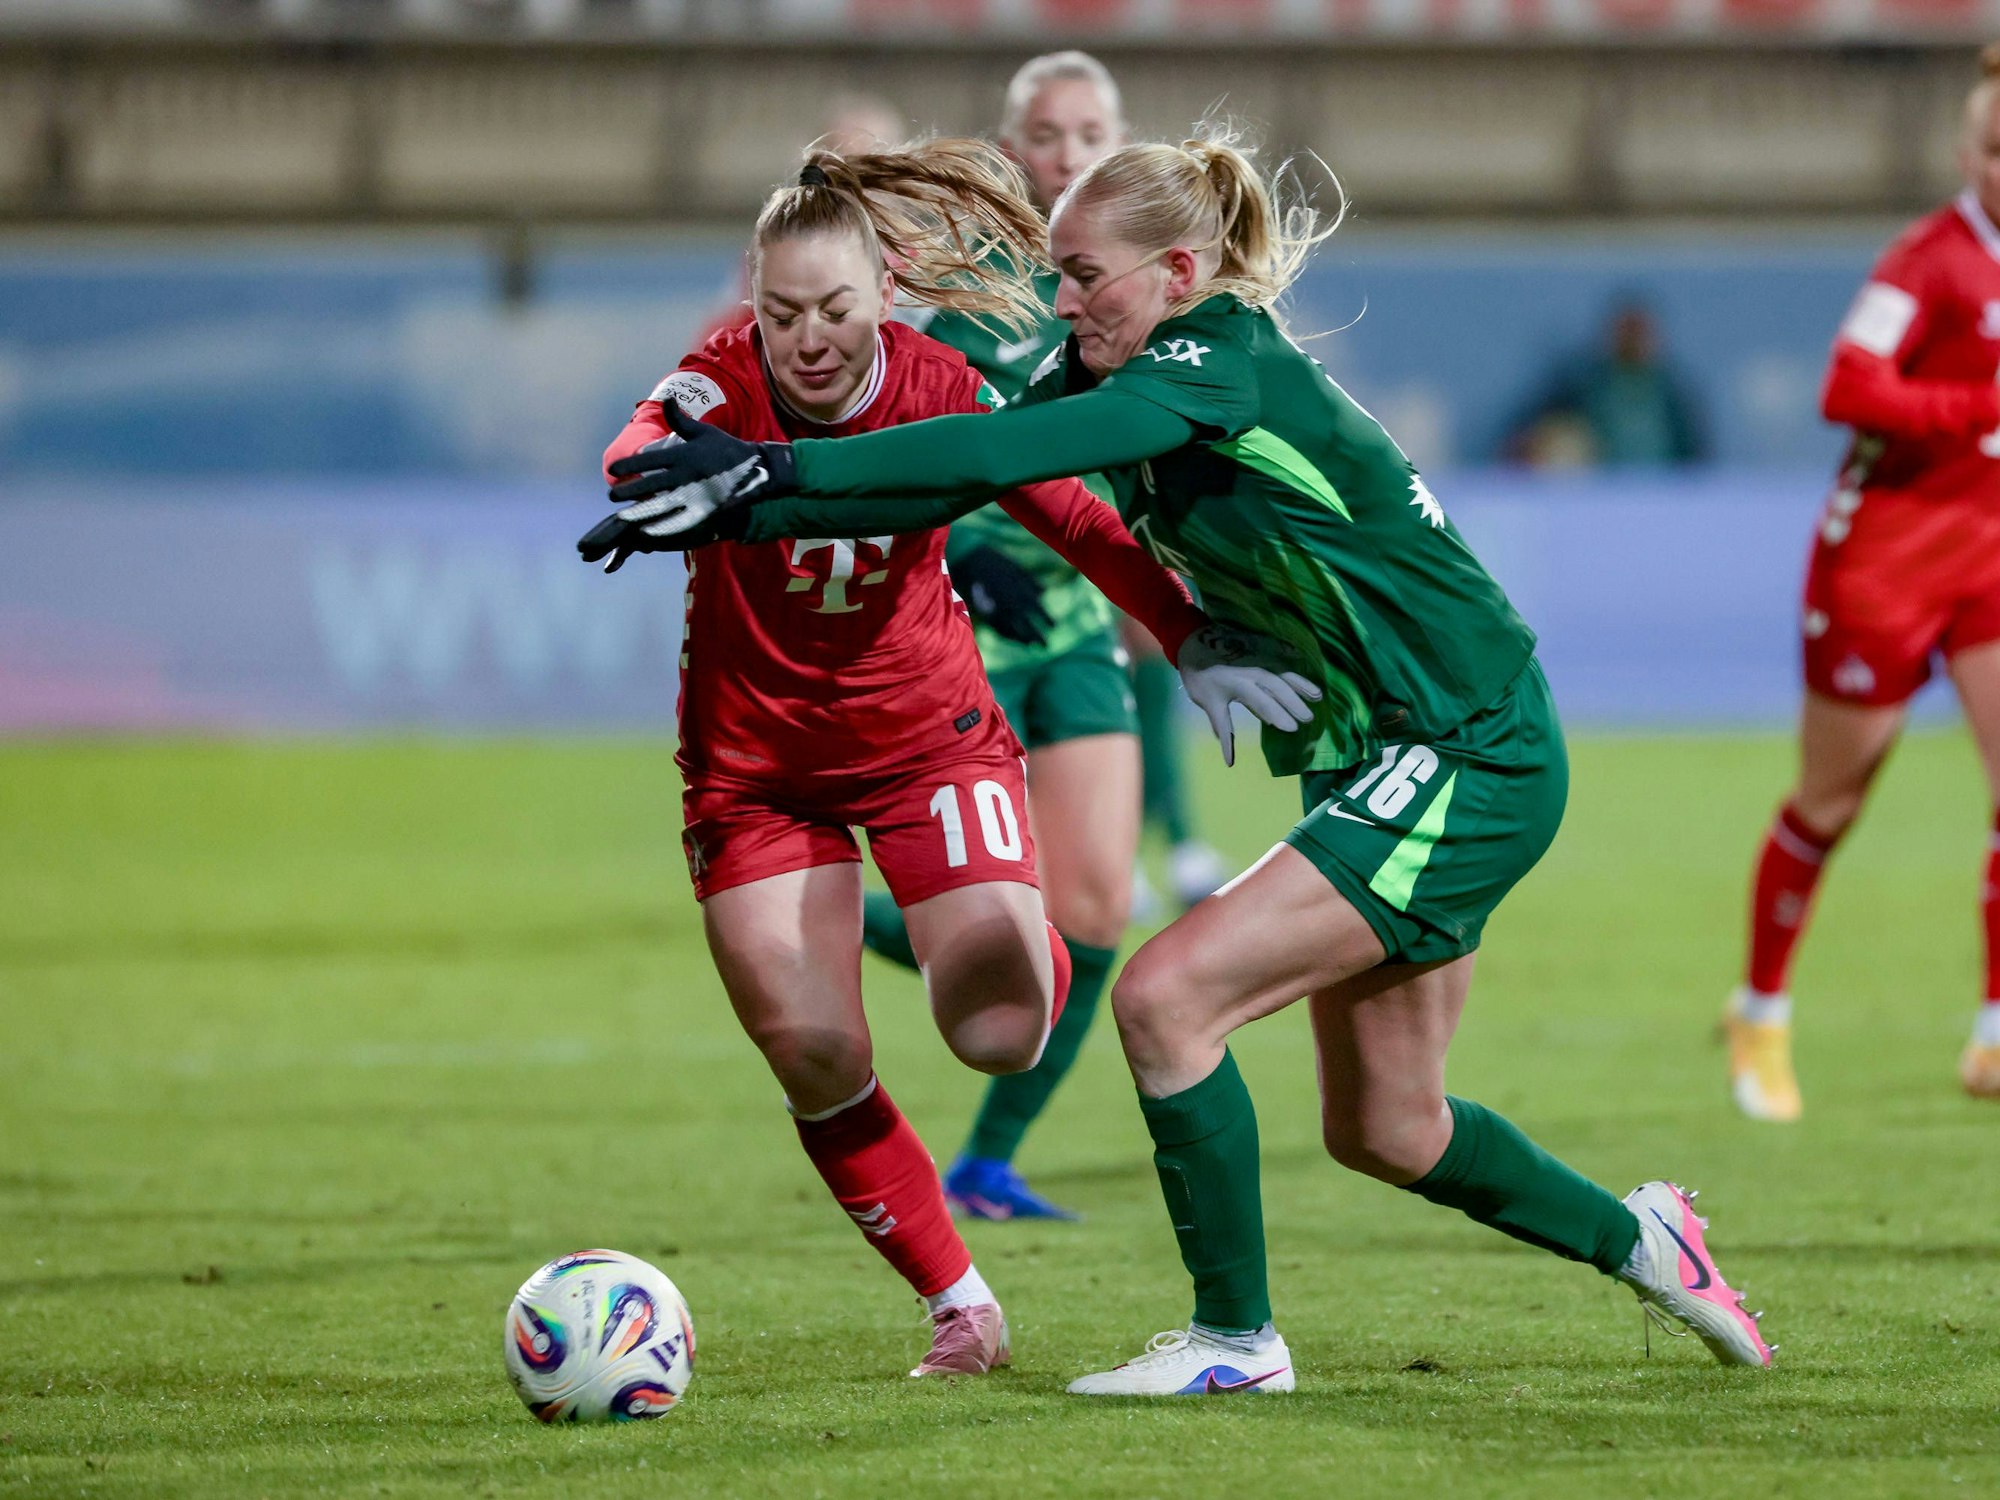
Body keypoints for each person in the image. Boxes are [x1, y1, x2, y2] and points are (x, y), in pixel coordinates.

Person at [591, 124, 1776, 1391]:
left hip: (1462, 746)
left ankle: (1233, 1344)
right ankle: (1644, 1240)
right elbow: (943, 485)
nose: (1061, 303)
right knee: (1389, 1126)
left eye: (1083, 275)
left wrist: (773, 465)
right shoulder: (1121, 365)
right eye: (1056, 274)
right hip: (1376, 754)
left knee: (1163, 1000)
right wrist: (744, 499)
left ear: (1176, 271)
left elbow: (987, 452)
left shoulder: (1215, 361)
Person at [587, 140, 1317, 1381]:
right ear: (751, 305)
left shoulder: (941, 384)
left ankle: (992, 928)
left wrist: (1185, 631)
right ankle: (959, 1303)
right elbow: (639, 443)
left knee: (1000, 1030)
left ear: (886, 292)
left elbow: (1074, 515)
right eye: (780, 314)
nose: (807, 341)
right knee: (812, 1050)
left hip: (926, 740)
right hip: (753, 769)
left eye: (833, 309)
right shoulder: (720, 379)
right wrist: (645, 465)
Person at [860, 49, 1141, 1222]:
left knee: (1095, 912)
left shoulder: (1141, 277)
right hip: (961, 627)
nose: (1066, 153)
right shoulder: (967, 284)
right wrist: (963, 550)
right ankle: (832, 915)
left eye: (1088, 132)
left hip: (1072, 625)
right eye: (1045, 132)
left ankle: (984, 1164)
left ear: (1117, 142)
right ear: (1011, 146)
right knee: (989, 914)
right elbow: (898, 431)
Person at [1725, 46, 2000, 1119]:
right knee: (1832, 801)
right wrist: (1973, 408)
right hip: (1884, 562)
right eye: (1994, 149)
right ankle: (1758, 1012)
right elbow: (1847, 386)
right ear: (1964, 154)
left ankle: (1992, 1032)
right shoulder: (1925, 263)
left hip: (1987, 556)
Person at [1504, 299, 1707, 468]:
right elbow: (1529, 432)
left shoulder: (1671, 392)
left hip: (1663, 488)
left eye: (1639, 333)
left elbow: (1693, 448)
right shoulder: (1583, 385)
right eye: (1626, 332)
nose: (1632, 341)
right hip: (1602, 490)